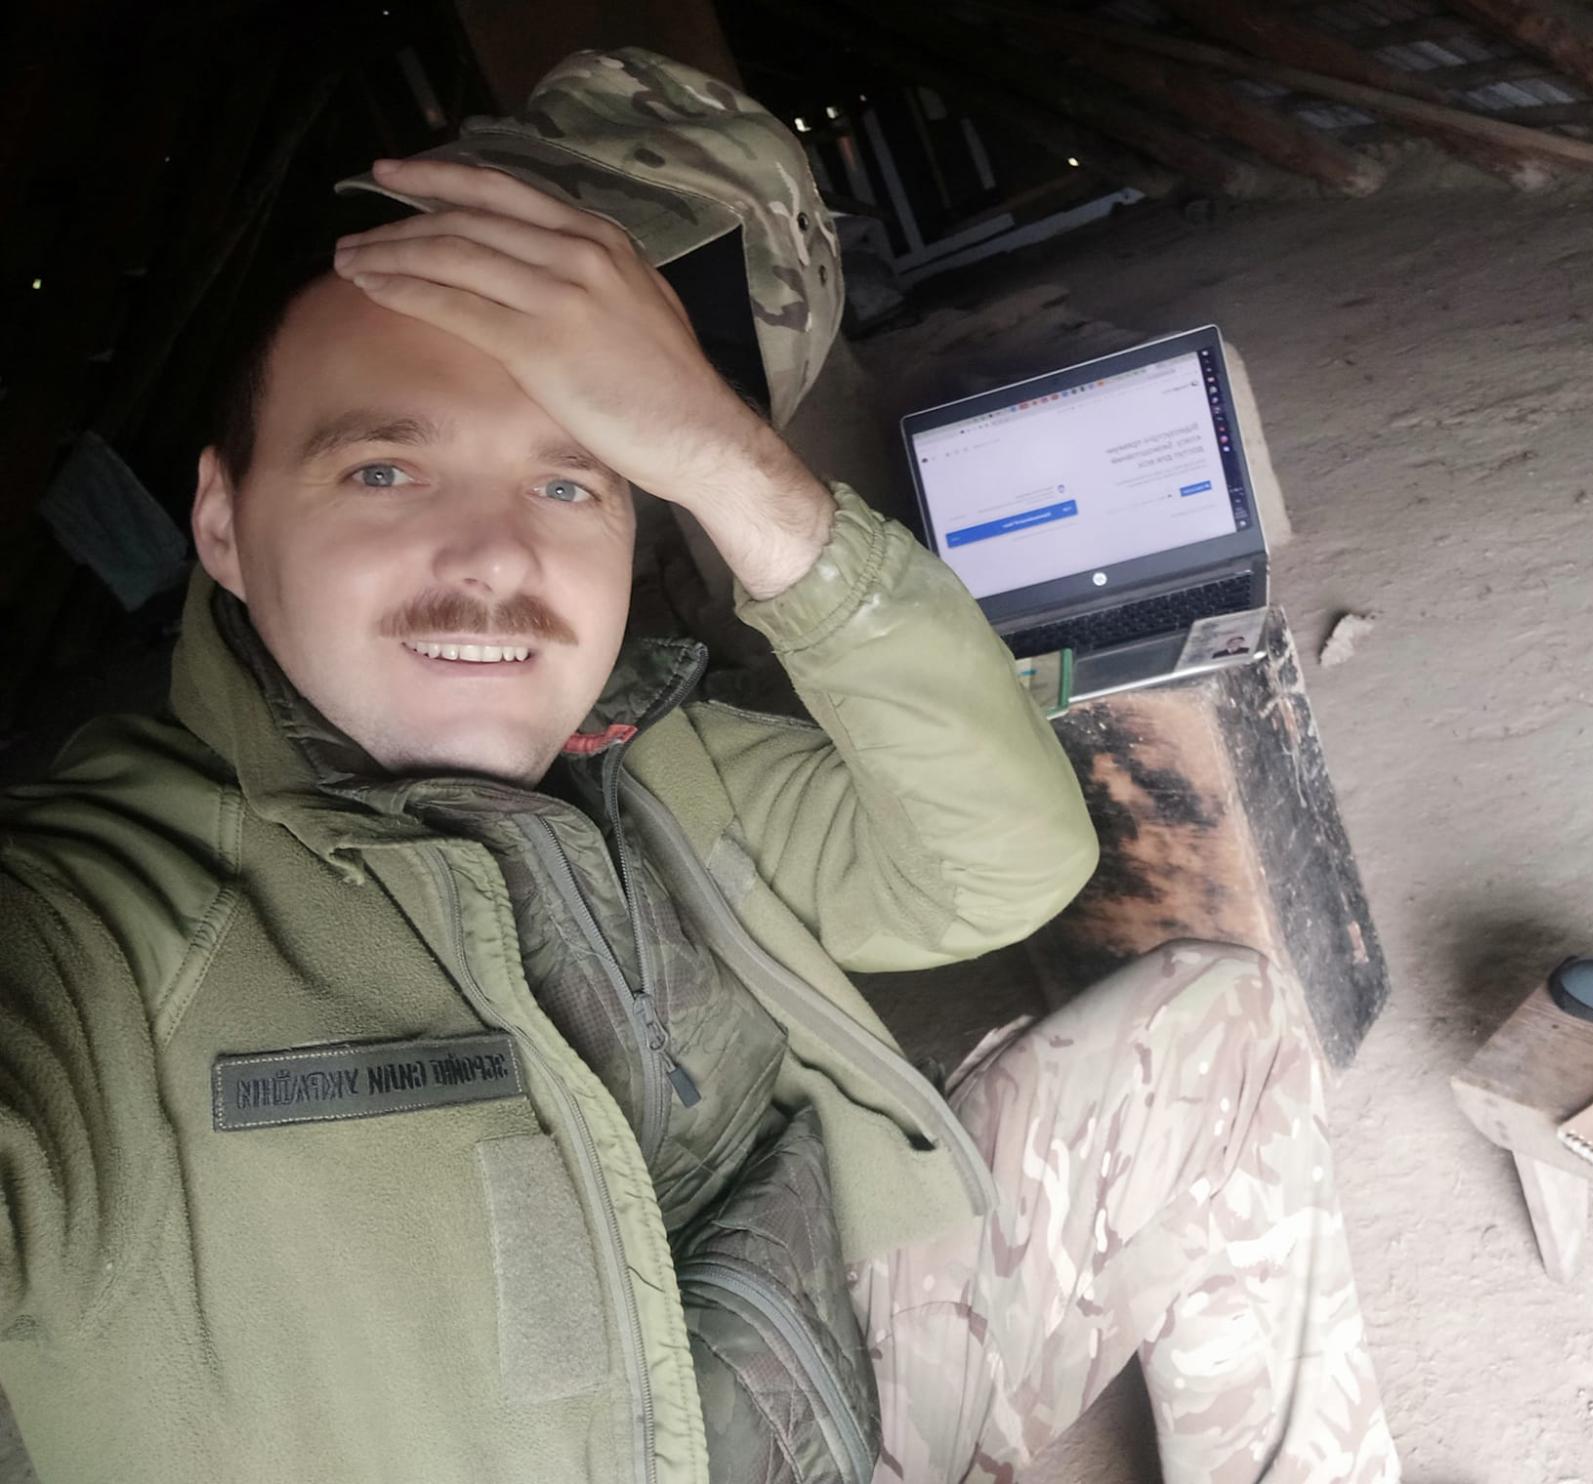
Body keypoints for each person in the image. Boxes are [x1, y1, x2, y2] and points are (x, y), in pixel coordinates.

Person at [0, 49, 1396, 1484]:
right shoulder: (95, 930)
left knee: (1221, 1024)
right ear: (222, 526)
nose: (495, 558)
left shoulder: (652, 754)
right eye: (385, 472)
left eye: (569, 483)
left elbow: (1003, 865)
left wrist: (736, 468)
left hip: (834, 1362)